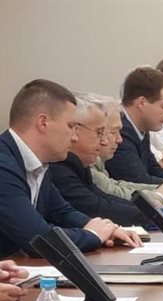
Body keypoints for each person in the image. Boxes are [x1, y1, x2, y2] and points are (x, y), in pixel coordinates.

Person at [0, 79, 141, 258]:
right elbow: (39, 240)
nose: (74, 137)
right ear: (43, 123)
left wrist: (106, 229)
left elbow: (62, 212)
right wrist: (93, 235)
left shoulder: (39, 163)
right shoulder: (4, 166)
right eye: (70, 126)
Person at [50, 95, 163, 226]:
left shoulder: (77, 164)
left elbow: (104, 198)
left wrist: (156, 212)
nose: (104, 141)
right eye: (99, 132)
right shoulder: (59, 167)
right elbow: (97, 208)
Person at [105, 66, 163, 197]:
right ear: (142, 103)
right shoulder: (120, 132)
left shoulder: (140, 128)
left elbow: (154, 170)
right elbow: (139, 181)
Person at [86, 94, 163, 207]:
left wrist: (162, 189)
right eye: (113, 132)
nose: (119, 140)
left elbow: (115, 184)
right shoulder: (84, 162)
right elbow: (111, 192)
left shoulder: (96, 159)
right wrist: (159, 195)